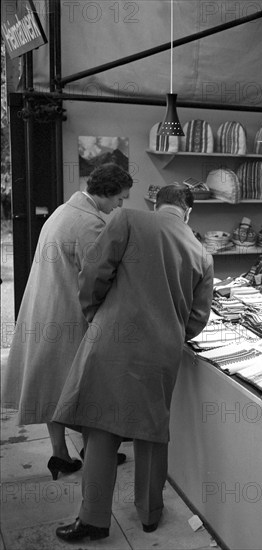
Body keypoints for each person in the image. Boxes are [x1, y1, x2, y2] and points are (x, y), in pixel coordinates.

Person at [51, 184, 214, 542]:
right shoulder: (202, 252)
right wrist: (170, 334)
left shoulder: (127, 219)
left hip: (112, 340)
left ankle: (92, 521)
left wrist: (98, 314)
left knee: (102, 426)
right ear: (188, 212)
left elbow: (93, 272)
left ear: (157, 204)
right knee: (152, 432)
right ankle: (150, 515)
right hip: (162, 353)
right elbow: (198, 318)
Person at [1, 163, 133, 480]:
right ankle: (96, 452)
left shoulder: (65, 209)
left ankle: (60, 455)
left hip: (45, 308)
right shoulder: (89, 224)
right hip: (66, 314)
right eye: (120, 199)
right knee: (89, 387)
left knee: (53, 385)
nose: (120, 206)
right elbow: (100, 278)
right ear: (106, 193)